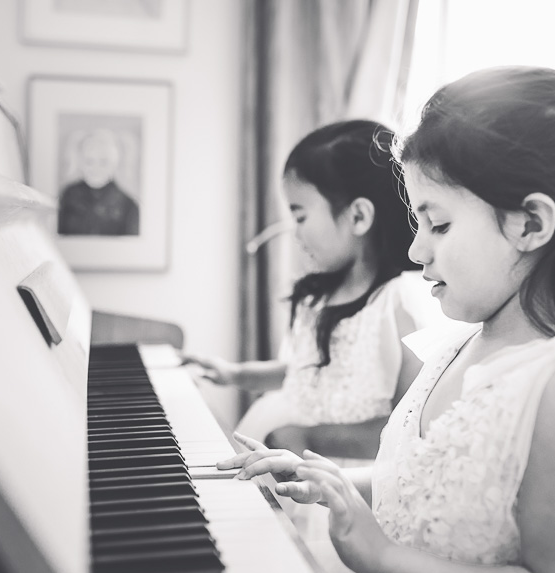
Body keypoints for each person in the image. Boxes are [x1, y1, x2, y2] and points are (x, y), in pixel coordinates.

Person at [221, 66, 555, 573]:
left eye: (438, 223)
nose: (415, 249)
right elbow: (424, 480)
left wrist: (379, 555)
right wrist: (335, 482)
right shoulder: (456, 342)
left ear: (530, 224)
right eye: (417, 222)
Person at [185, 119, 445, 462]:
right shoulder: (319, 296)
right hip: (283, 449)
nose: (295, 234)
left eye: (300, 216)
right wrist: (236, 373)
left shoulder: (398, 303)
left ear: (358, 216)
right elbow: (304, 373)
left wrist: (311, 439)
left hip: (337, 472)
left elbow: (408, 425)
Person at [58, 128, 140, 236]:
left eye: (103, 162)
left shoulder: (129, 206)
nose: (95, 168)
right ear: (80, 161)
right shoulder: (69, 196)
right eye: (89, 161)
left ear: (114, 164)